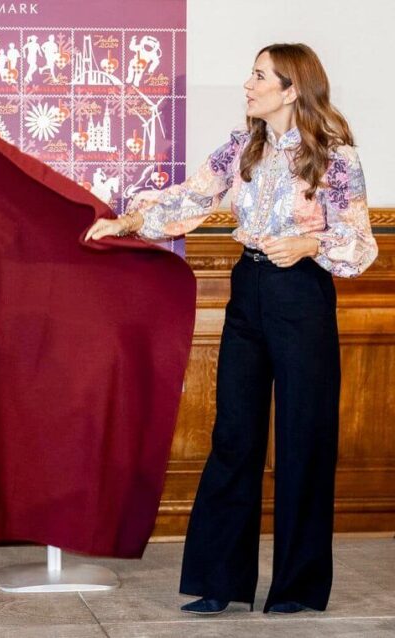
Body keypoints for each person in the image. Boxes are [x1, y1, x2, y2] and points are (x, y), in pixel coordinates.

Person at [86, 43, 377, 614]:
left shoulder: (334, 158)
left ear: (292, 89)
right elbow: (191, 197)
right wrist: (128, 219)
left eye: (259, 75)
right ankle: (221, 583)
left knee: (303, 440)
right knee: (234, 436)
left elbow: (359, 241)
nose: (248, 83)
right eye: (251, 71)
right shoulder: (241, 146)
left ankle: (296, 588)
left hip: (303, 297)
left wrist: (309, 242)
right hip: (249, 292)